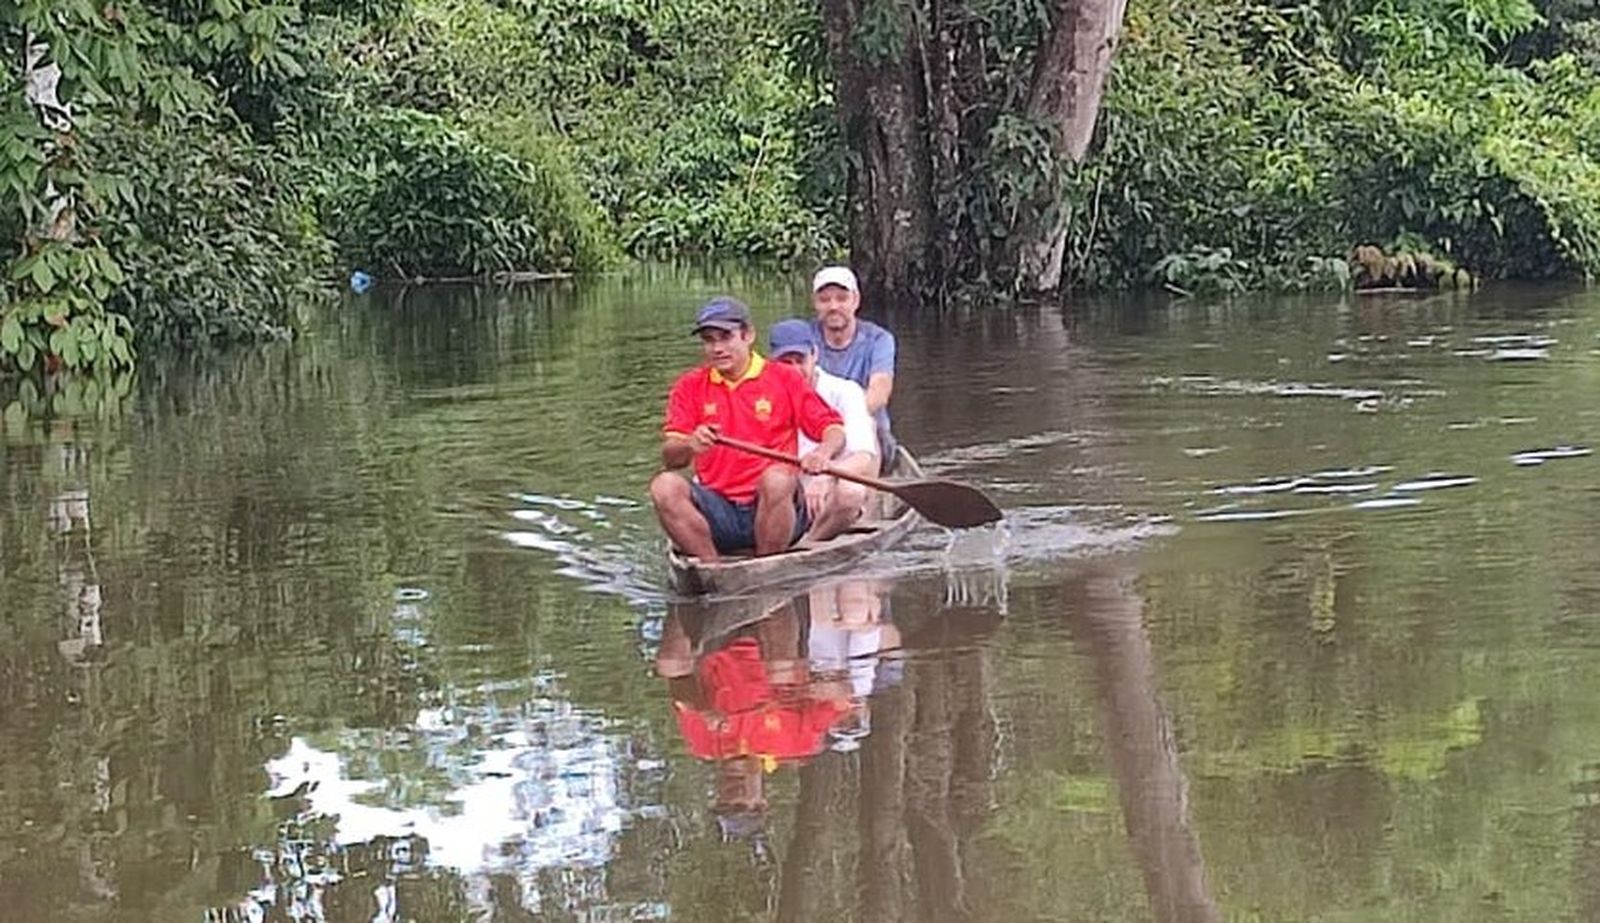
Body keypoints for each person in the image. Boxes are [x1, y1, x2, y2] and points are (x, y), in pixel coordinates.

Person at [650, 297, 845, 561]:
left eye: (725, 337)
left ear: (748, 335)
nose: (717, 348)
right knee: (663, 487)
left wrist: (822, 453)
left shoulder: (784, 378)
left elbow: (834, 429)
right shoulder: (689, 386)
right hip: (719, 508)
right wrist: (689, 445)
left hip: (774, 505)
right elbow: (671, 459)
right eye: (709, 340)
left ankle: (766, 565)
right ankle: (712, 568)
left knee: (777, 478)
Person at [767, 318, 879, 541]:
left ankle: (810, 544)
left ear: (815, 355)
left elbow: (864, 457)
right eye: (785, 363)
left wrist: (826, 474)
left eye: (800, 360)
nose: (794, 371)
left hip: (832, 484)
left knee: (851, 492)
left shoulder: (845, 392)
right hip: (784, 487)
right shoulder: (760, 395)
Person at [810, 266, 897, 467]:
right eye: (825, 300)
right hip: (817, 430)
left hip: (864, 427)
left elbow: (879, 391)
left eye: (841, 298)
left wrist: (841, 424)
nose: (833, 306)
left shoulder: (879, 340)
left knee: (870, 427)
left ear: (855, 300)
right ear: (815, 303)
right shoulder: (805, 339)